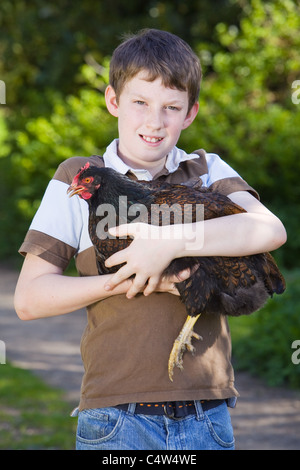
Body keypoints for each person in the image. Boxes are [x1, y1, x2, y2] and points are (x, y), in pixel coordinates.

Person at [14, 29, 286, 450]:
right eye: (140, 102)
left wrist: (170, 242)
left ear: (190, 114)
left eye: (171, 108)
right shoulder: (80, 177)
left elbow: (270, 230)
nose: (154, 122)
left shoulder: (206, 170)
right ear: (113, 101)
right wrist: (130, 280)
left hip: (206, 413)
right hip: (116, 414)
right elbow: (30, 299)